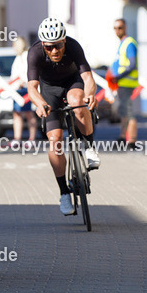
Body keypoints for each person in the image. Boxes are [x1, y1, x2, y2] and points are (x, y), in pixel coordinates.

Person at [27, 17, 100, 216]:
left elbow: (88, 78)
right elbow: (32, 87)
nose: (54, 51)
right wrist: (40, 103)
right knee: (55, 140)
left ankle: (89, 147)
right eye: (49, 47)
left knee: (77, 101)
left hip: (72, 83)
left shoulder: (74, 47)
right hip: (49, 90)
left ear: (64, 41)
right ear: (43, 44)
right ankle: (64, 192)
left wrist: (90, 93)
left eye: (58, 45)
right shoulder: (34, 52)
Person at [110, 18, 139, 148]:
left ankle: (131, 141)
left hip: (127, 83)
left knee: (128, 112)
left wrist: (118, 76)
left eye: (120, 27)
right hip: (122, 84)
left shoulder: (129, 43)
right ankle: (123, 137)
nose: (117, 30)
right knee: (123, 112)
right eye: (115, 28)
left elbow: (132, 65)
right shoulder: (123, 43)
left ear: (125, 27)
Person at [9, 36, 38, 148]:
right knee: (16, 114)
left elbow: (30, 72)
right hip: (16, 90)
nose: (13, 46)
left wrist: (23, 81)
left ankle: (32, 138)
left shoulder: (26, 55)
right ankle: (17, 138)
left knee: (29, 114)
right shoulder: (18, 57)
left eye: (15, 44)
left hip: (25, 88)